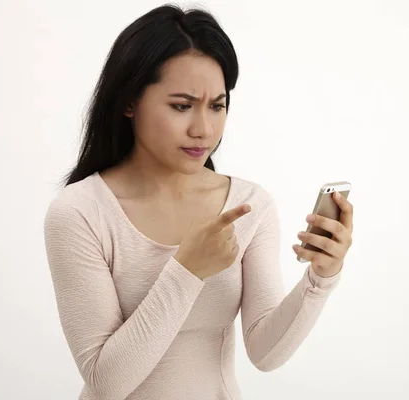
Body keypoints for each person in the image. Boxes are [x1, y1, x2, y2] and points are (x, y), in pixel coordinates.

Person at [43, 4, 353, 400]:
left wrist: (321, 278)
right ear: (128, 101)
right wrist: (187, 270)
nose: (203, 129)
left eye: (217, 106)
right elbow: (107, 383)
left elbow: (266, 352)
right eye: (181, 105)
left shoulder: (248, 205)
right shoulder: (79, 212)